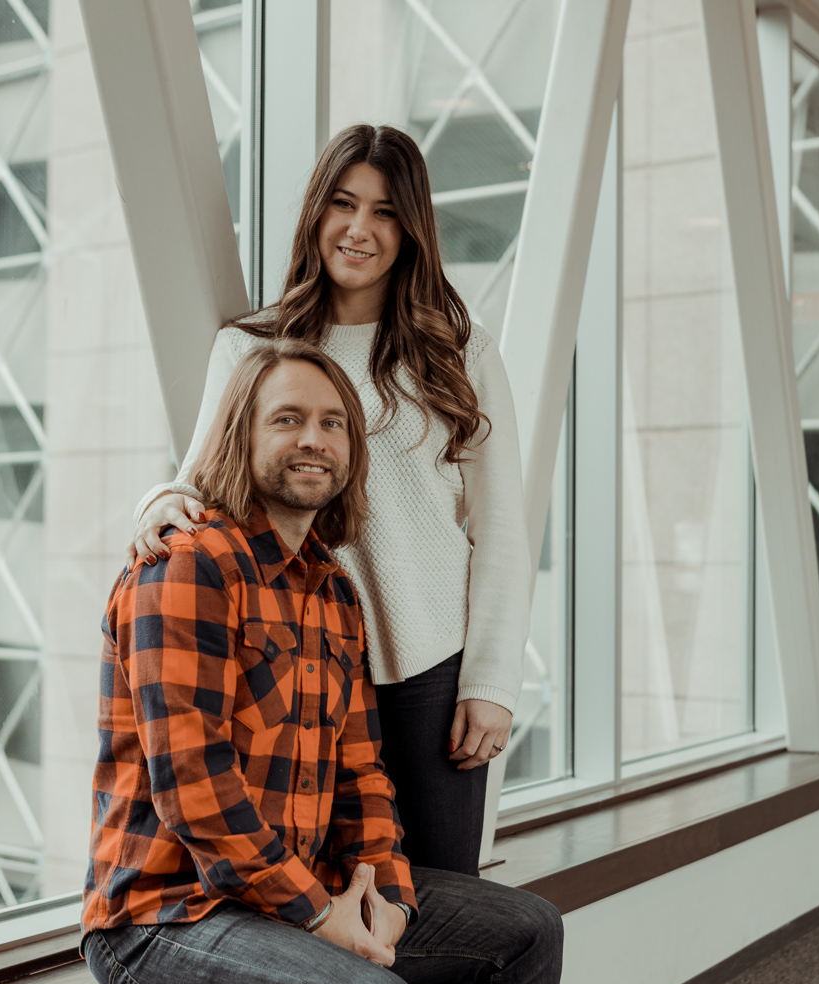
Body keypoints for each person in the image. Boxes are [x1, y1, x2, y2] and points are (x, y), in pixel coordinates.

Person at [84, 340, 563, 984]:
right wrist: (318, 912)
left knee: (528, 930)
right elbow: (195, 788)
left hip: (296, 887)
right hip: (167, 914)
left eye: (332, 423)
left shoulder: (335, 593)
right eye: (287, 419)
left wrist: (387, 895)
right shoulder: (189, 566)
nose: (314, 439)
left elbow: (360, 775)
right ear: (239, 435)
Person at [129, 123, 529, 877]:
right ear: (316, 214)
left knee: (444, 894)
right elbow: (200, 481)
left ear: (412, 229)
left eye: (385, 211)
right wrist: (155, 499)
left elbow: (502, 525)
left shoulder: (457, 349)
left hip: (431, 672)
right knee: (321, 885)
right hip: (296, 661)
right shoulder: (250, 347)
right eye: (343, 204)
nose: (359, 229)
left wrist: (491, 682)